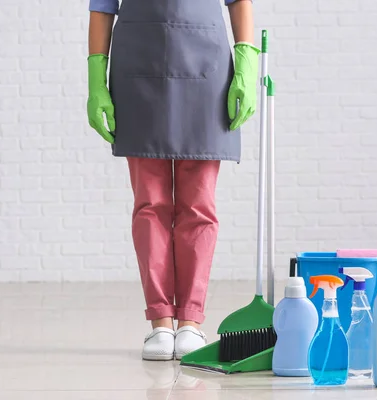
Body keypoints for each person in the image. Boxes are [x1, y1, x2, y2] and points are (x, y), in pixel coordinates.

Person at [87, 0, 259, 361]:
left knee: (198, 206)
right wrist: (96, 78)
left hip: (206, 71)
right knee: (150, 206)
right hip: (138, 70)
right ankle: (161, 323)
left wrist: (246, 62)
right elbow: (102, 6)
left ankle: (190, 322)